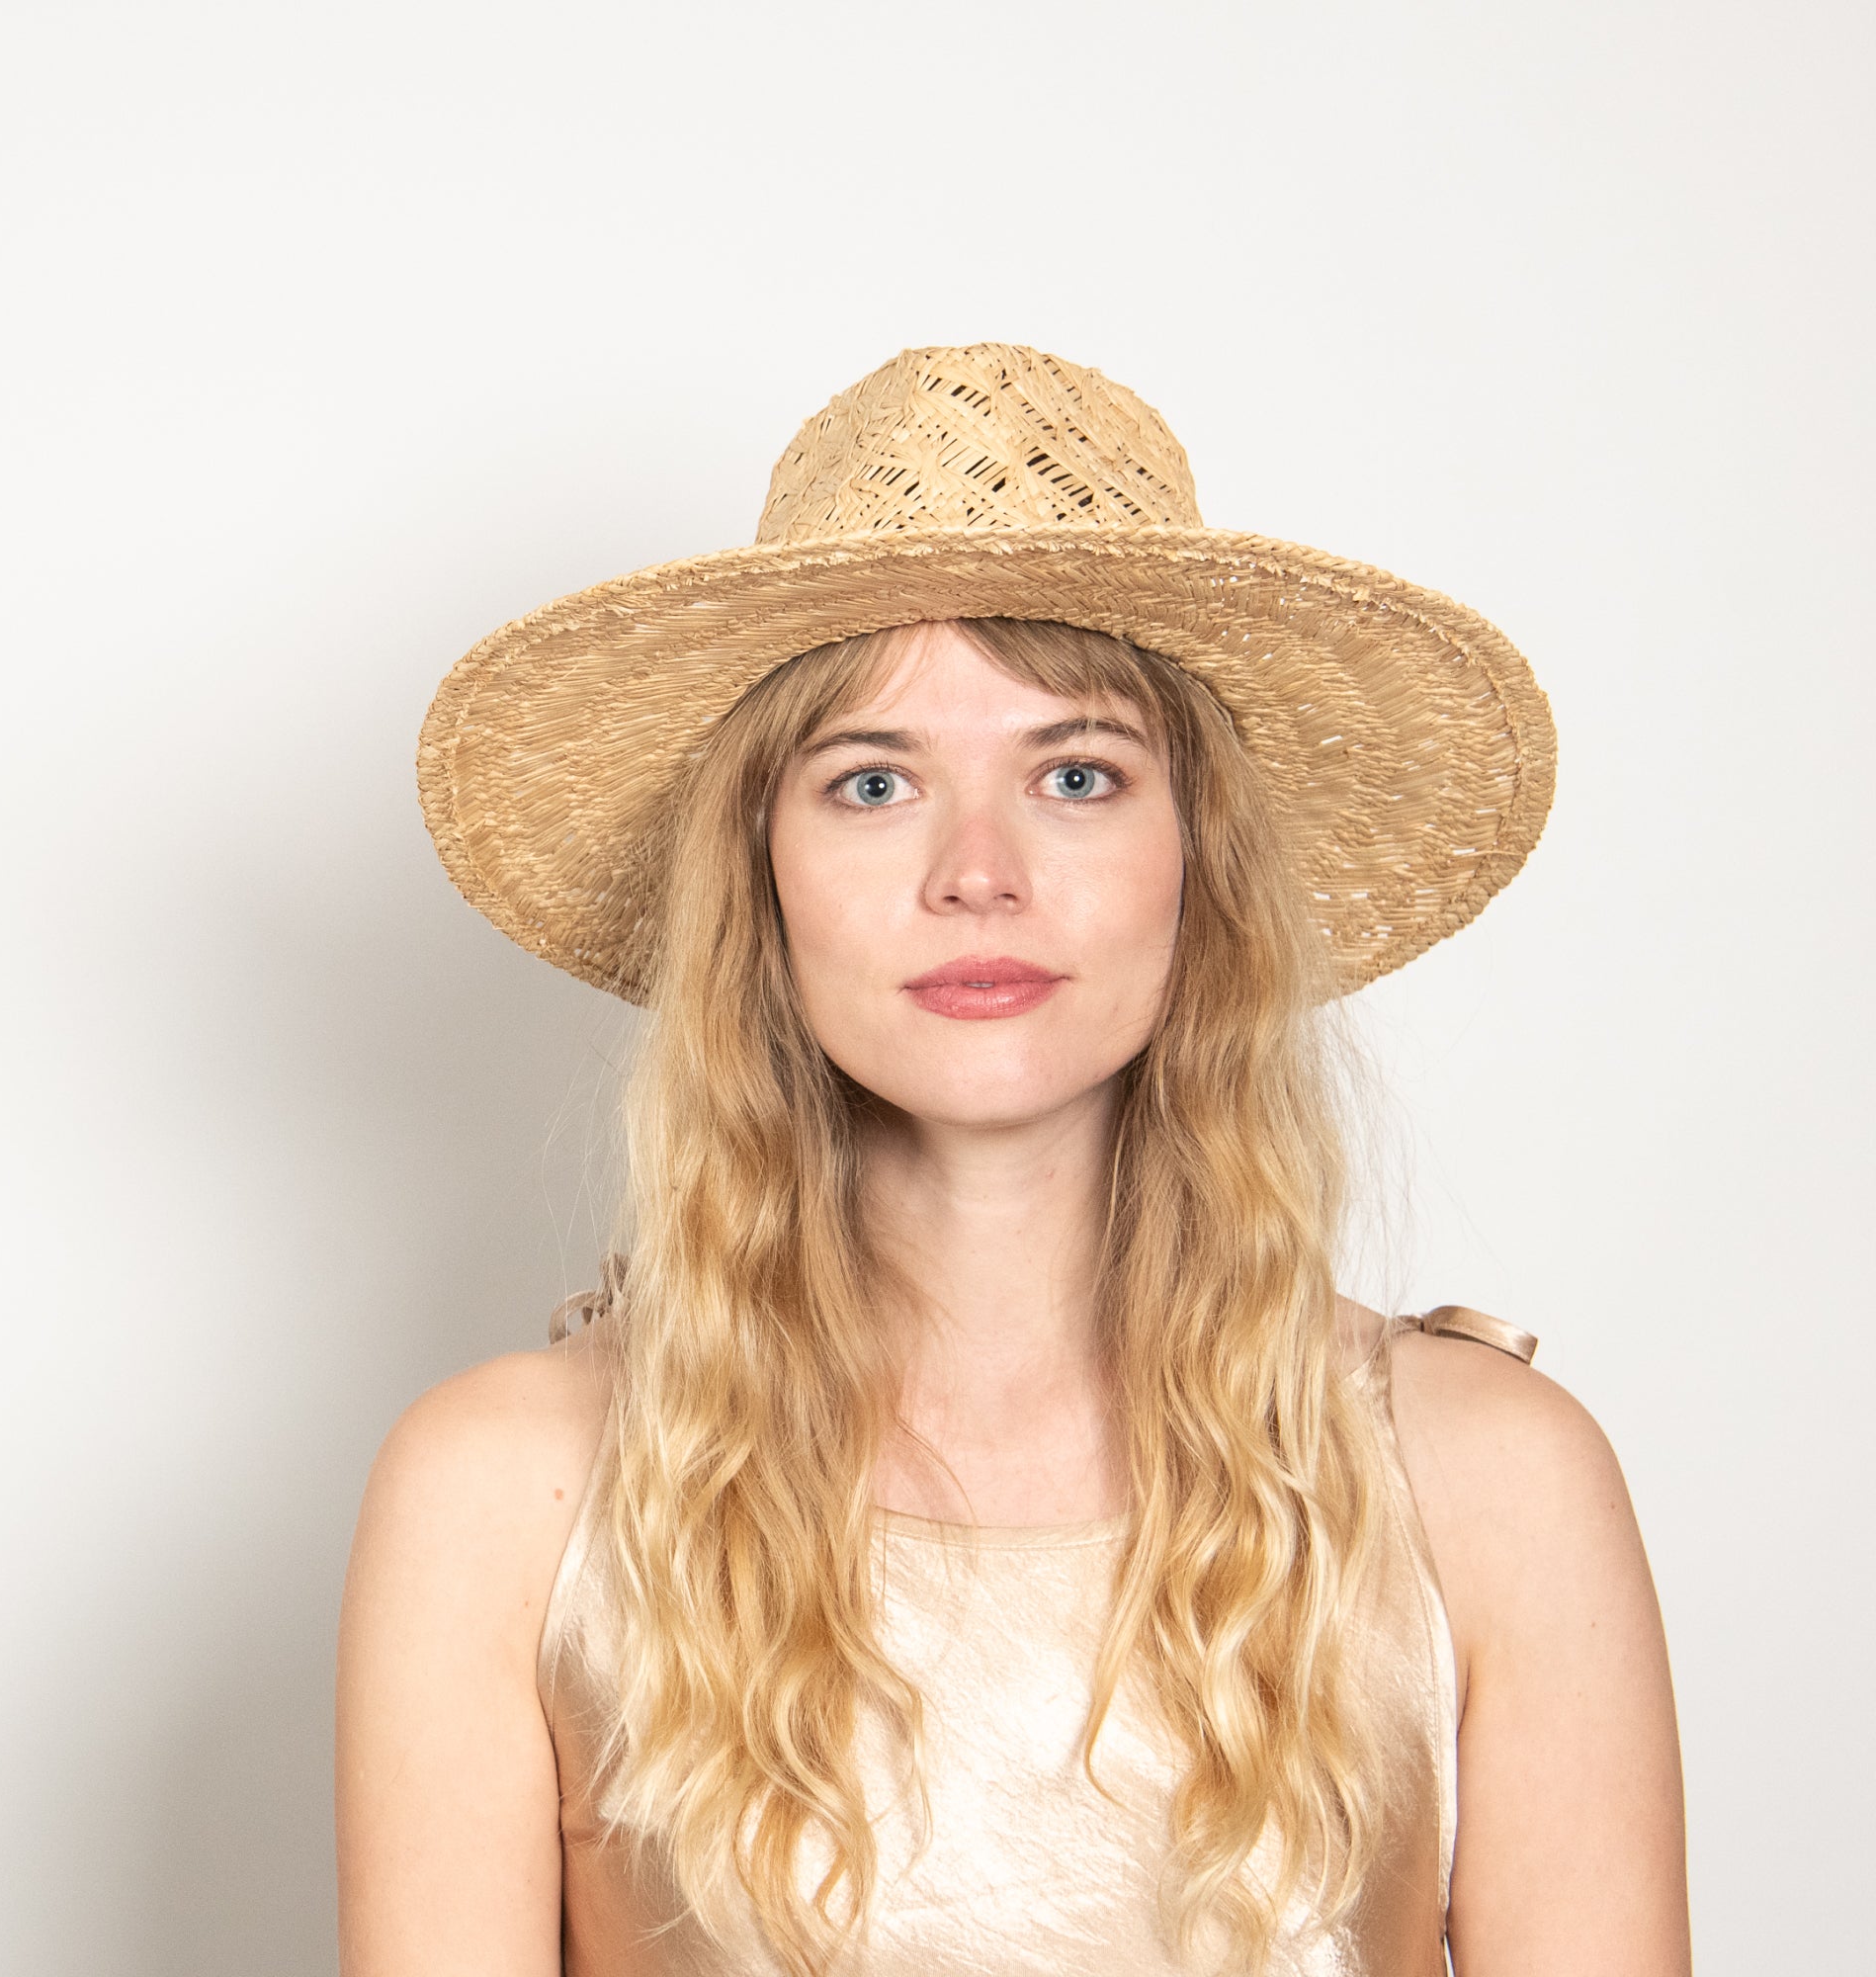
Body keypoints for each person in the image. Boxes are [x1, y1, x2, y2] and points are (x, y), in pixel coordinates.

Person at [335, 345, 1689, 1975]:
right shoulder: (507, 1497)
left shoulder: (1490, 1485)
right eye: (874, 782)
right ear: (759, 885)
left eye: (1075, 774)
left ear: (1200, 868)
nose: (978, 871)